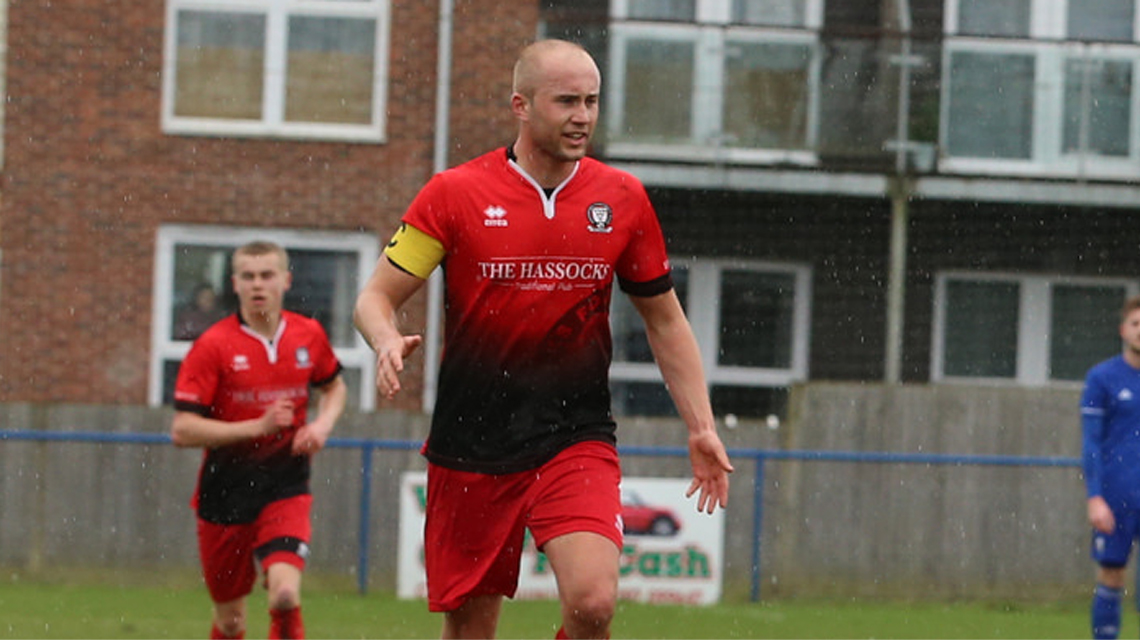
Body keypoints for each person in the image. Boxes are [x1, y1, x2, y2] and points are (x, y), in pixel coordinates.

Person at [353, 39, 734, 639]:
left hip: (573, 435)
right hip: (472, 442)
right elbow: (375, 297)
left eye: (592, 101)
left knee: (593, 603)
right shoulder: (454, 195)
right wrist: (384, 338)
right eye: (566, 102)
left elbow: (665, 320)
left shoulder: (623, 200)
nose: (583, 116)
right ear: (521, 106)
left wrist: (701, 425)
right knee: (470, 630)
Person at [171, 241, 347, 640]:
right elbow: (182, 429)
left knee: (284, 595)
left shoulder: (308, 334)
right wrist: (256, 426)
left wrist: (322, 426)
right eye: (248, 276)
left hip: (285, 487)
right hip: (224, 496)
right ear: (235, 284)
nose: (258, 284)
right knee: (231, 622)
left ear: (285, 280)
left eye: (267, 275)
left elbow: (334, 387)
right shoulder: (213, 346)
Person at [1082, 294, 1140, 639]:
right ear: (1123, 330)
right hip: (1116, 499)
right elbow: (1091, 442)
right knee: (1111, 575)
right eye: (1136, 324)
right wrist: (1095, 497)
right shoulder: (1102, 378)